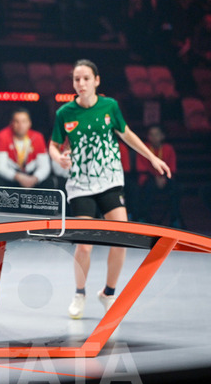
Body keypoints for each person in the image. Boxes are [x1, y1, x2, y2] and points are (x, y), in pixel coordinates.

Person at [49, 59, 171, 320]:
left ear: (96, 81)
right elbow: (53, 145)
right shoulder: (64, 113)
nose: (81, 83)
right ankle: (79, 294)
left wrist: (152, 157)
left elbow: (127, 134)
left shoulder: (110, 106)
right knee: (84, 246)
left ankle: (108, 292)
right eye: (76, 79)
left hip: (109, 181)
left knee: (121, 237)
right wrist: (58, 157)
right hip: (81, 185)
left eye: (86, 78)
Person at [135, 125, 183, 227]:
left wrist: (163, 178)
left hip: (165, 178)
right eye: (151, 134)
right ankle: (143, 217)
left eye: (156, 134)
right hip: (148, 178)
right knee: (145, 188)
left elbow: (172, 168)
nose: (154, 137)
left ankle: (174, 219)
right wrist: (155, 178)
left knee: (177, 188)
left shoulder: (168, 149)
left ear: (162, 136)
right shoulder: (144, 148)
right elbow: (141, 168)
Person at [0, 107, 52, 189]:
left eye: (24, 121)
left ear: (29, 123)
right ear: (11, 123)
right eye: (17, 122)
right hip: (11, 179)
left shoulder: (37, 137)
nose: (20, 125)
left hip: (32, 177)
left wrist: (35, 178)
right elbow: (0, 167)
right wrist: (18, 177)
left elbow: (44, 166)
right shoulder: (2, 136)